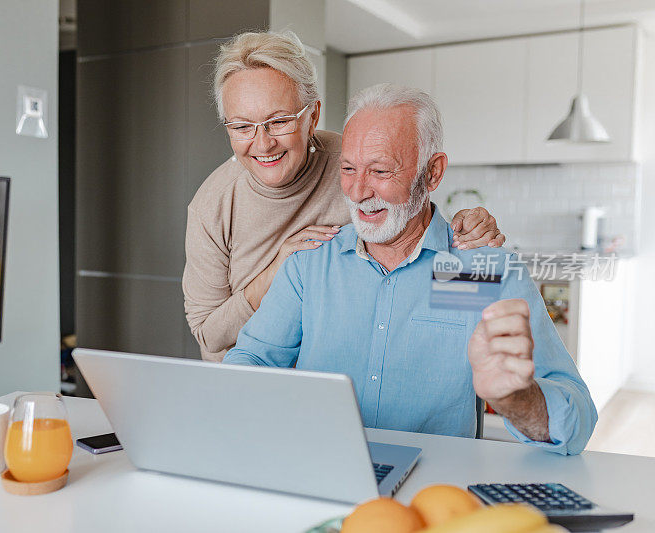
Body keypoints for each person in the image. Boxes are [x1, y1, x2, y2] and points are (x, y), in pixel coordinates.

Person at [223, 83, 597, 456]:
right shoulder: (311, 262)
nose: (357, 191)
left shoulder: (474, 269)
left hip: (436, 493)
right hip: (321, 470)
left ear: (432, 173)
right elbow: (249, 361)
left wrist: (518, 398)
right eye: (349, 169)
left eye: (381, 171)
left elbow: (577, 425)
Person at [183, 31, 505, 362]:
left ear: (312, 116)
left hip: (347, 377)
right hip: (247, 383)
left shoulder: (354, 159)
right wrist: (278, 270)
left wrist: (465, 227)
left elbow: (417, 210)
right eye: (241, 127)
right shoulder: (214, 204)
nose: (263, 144)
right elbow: (210, 334)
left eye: (278, 121)